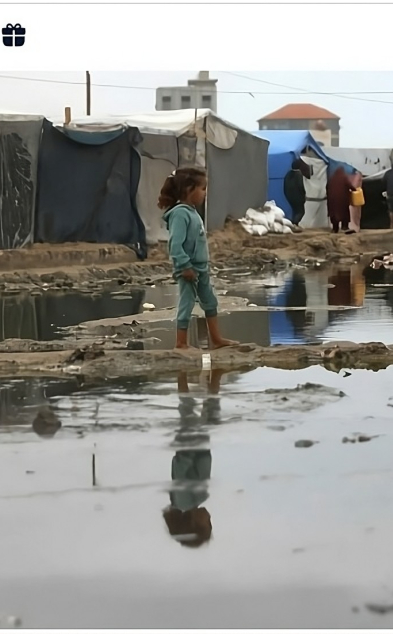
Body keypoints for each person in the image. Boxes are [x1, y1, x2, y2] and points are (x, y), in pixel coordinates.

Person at [159, 167, 237, 351]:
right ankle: (181, 343)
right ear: (188, 189)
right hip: (189, 269)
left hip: (200, 267)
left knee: (210, 301)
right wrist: (185, 266)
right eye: (202, 188)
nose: (205, 193)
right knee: (187, 303)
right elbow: (175, 245)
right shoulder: (180, 214)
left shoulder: (192, 212)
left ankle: (216, 339)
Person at [163, 369, 221, 548]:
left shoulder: (183, 501)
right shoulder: (197, 499)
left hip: (190, 444)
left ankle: (183, 372)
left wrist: (188, 450)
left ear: (194, 524)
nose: (210, 518)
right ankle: (212, 369)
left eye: (208, 523)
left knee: (187, 406)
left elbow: (180, 472)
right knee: (212, 406)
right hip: (201, 444)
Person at [283, 158, 310, 227]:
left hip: (289, 197)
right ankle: (294, 223)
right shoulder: (298, 175)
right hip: (298, 197)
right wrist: (304, 195)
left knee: (295, 211)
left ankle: (295, 224)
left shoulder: (288, 174)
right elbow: (300, 186)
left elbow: (284, 186)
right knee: (301, 212)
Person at [326, 166, 352, 233]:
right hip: (342, 201)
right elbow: (350, 185)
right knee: (344, 213)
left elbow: (327, 187)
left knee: (334, 214)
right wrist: (355, 190)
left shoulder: (332, 178)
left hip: (332, 201)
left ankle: (335, 228)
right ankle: (344, 227)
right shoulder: (344, 177)